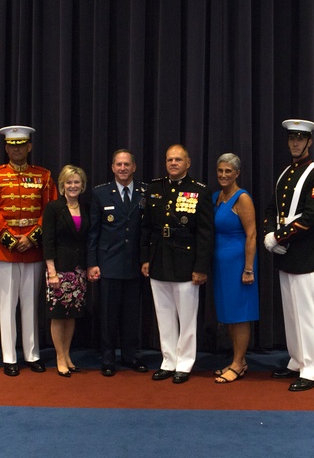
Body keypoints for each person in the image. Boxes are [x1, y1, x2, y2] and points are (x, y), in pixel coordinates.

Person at [0, 125, 57, 376]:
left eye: (21, 145)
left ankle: (32, 353)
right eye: (12, 146)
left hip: (33, 248)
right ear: (6, 148)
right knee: (7, 303)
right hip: (5, 249)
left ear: (29, 147)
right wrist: (11, 239)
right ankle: (9, 356)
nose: (16, 150)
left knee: (30, 303)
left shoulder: (43, 176)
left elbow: (51, 209)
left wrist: (33, 236)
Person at [263, 119, 314, 392]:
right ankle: (297, 359)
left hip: (303, 250)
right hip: (284, 250)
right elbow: (271, 208)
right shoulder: (285, 172)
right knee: (291, 312)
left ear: (309, 142)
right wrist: (271, 235)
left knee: (306, 312)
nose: (295, 143)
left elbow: (313, 216)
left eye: (300, 139)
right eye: (292, 139)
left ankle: (312, 369)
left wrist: (278, 236)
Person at [140, 144, 214, 384]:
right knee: (164, 315)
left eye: (178, 159)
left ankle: (185, 363)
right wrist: (145, 259)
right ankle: (168, 360)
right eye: (169, 159)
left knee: (187, 316)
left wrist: (201, 267)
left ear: (188, 163)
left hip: (186, 261)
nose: (173, 163)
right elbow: (146, 228)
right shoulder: (154, 188)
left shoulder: (199, 191)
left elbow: (205, 233)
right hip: (159, 258)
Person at [87, 149, 149, 376]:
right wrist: (92, 262)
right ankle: (108, 358)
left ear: (134, 167)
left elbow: (147, 230)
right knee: (108, 315)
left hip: (135, 263)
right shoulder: (101, 193)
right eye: (118, 165)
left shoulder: (145, 192)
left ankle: (131, 356)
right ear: (113, 168)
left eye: (127, 164)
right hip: (109, 262)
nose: (123, 169)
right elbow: (93, 232)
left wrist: (146, 259)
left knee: (132, 315)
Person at [211, 153, 259, 383]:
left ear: (237, 173)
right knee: (229, 314)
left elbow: (252, 234)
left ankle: (239, 364)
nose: (223, 175)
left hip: (239, 264)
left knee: (240, 314)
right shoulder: (216, 196)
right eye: (220, 171)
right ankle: (236, 360)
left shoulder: (242, 198)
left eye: (228, 171)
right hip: (221, 265)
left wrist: (248, 268)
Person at [43, 165, 91, 377]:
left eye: (76, 182)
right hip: (59, 270)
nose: (73, 186)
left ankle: (68, 355)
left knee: (72, 315)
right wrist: (52, 271)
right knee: (58, 315)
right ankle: (59, 357)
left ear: (82, 185)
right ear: (62, 185)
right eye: (69, 182)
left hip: (78, 270)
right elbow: (48, 241)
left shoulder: (85, 207)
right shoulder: (53, 208)